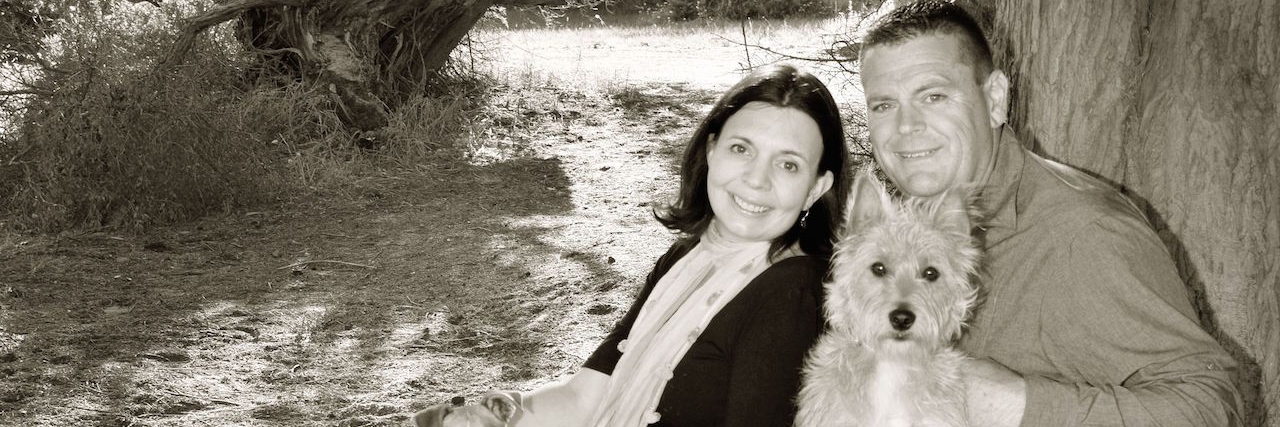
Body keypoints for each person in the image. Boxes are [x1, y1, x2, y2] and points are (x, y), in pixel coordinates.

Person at [856, 1, 1242, 426]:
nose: (906, 125)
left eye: (933, 96)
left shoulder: (1082, 234)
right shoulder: (897, 237)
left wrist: (1022, 405)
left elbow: (1210, 407)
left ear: (996, 100)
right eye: (884, 105)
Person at [413, 63, 853, 427]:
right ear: (712, 150)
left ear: (816, 188)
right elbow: (585, 396)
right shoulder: (689, 255)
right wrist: (492, 419)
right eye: (742, 149)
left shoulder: (792, 293)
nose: (757, 179)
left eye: (788, 164)